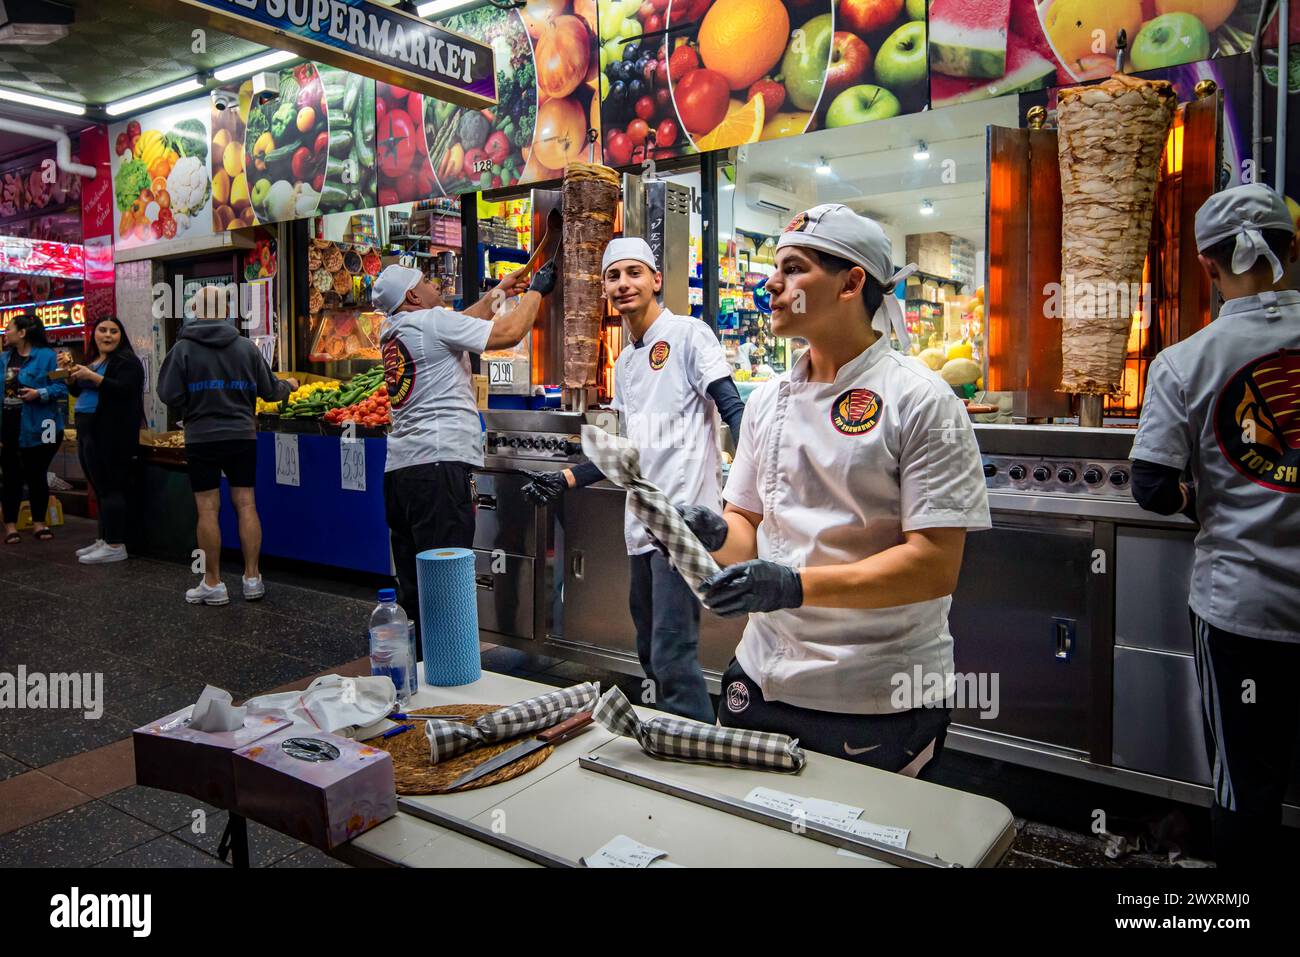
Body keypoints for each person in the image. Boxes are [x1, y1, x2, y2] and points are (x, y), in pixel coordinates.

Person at [680, 205, 990, 777]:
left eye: (794, 268)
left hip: (873, 693)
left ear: (852, 283)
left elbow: (933, 565)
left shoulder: (922, 401)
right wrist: (715, 533)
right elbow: (747, 530)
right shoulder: (767, 402)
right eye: (775, 268)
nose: (771, 284)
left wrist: (792, 585)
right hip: (761, 675)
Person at [1130, 183, 1300, 868]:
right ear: (1292, 249)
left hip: (1243, 613)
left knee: (1245, 787)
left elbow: (1150, 485)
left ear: (1207, 266)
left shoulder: (1185, 362)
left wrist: (1205, 498)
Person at [520, 238, 745, 722]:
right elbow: (627, 452)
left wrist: (761, 477)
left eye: (634, 273)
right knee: (648, 647)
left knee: (671, 653)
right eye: (614, 276)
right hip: (640, 526)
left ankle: (690, 752)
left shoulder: (688, 334)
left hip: (681, 522)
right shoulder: (624, 362)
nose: (623, 284)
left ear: (656, 280)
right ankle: (672, 735)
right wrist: (567, 478)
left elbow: (732, 407)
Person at [373, 260, 555, 632]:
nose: (433, 284)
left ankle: (420, 674)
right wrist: (538, 290)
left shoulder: (394, 330)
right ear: (412, 296)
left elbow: (462, 324)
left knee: (415, 589)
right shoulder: (430, 322)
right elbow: (508, 333)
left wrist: (500, 293)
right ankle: (449, 674)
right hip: (438, 472)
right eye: (425, 281)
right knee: (447, 586)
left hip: (401, 474)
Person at [157, 286, 296, 604]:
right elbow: (270, 391)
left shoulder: (182, 350)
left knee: (207, 509)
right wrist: (288, 386)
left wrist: (193, 401)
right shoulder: (246, 347)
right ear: (227, 311)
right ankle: (251, 579)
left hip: (201, 437)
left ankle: (213, 583)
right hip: (241, 435)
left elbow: (168, 394)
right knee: (246, 503)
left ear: (195, 310)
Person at [67, 317, 144, 564]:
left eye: (114, 331)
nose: (108, 335)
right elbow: (79, 390)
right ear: (94, 335)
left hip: (111, 435)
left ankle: (115, 544)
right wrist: (72, 377)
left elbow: (124, 390)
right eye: (102, 330)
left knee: (110, 486)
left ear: (121, 336)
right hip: (88, 430)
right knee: (98, 486)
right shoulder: (95, 361)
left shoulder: (127, 362)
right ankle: (104, 538)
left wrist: (93, 376)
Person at [0, 312, 67, 543]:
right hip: (9, 426)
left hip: (44, 426)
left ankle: (39, 522)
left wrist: (39, 393)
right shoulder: (3, 359)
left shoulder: (49, 356)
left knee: (37, 474)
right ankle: (10, 525)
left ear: (22, 332)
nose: (5, 332)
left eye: (8, 328)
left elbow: (62, 388)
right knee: (10, 476)